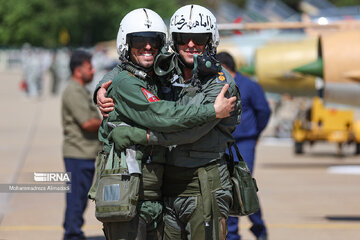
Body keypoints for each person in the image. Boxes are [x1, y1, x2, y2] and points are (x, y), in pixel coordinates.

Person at [90, 8, 237, 240]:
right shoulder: (168, 71)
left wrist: (137, 135)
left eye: (199, 38)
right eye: (181, 38)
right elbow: (128, 68)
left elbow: (188, 131)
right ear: (173, 41)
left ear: (211, 40)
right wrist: (102, 87)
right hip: (166, 190)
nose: (190, 44)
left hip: (203, 184)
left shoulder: (220, 86)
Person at [217, 52, 271, 240]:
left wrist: (255, 133)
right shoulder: (217, 86)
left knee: (243, 185)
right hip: (222, 143)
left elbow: (263, 111)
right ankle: (232, 235)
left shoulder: (250, 86)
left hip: (245, 142)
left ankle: (258, 227)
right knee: (227, 187)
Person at [61, 50, 102, 240]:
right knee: (76, 199)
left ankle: (72, 228)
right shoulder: (73, 91)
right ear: (78, 71)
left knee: (78, 198)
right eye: (89, 67)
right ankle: (72, 234)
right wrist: (107, 120)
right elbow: (87, 123)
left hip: (84, 153)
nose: (93, 71)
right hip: (77, 154)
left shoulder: (81, 90)